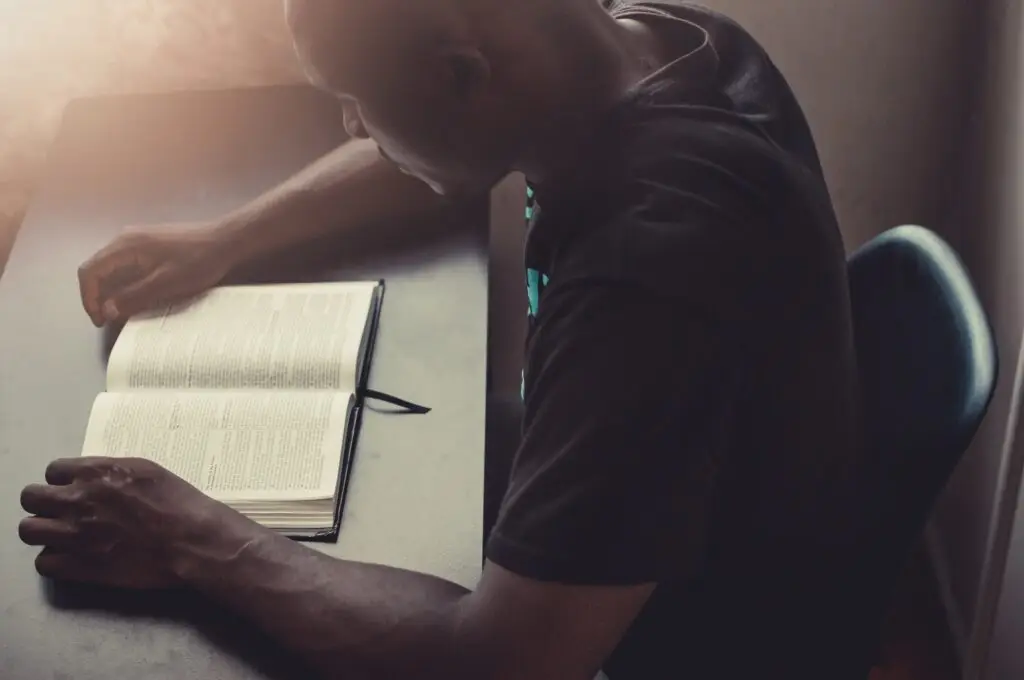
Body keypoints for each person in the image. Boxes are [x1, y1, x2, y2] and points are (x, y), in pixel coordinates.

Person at [19, 1, 868, 678]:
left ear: (462, 75)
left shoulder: (646, 273)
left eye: (356, 98)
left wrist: (191, 537)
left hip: (675, 646)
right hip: (659, 530)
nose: (353, 127)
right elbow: (433, 140)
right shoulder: (647, 39)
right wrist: (230, 237)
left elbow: (502, 662)